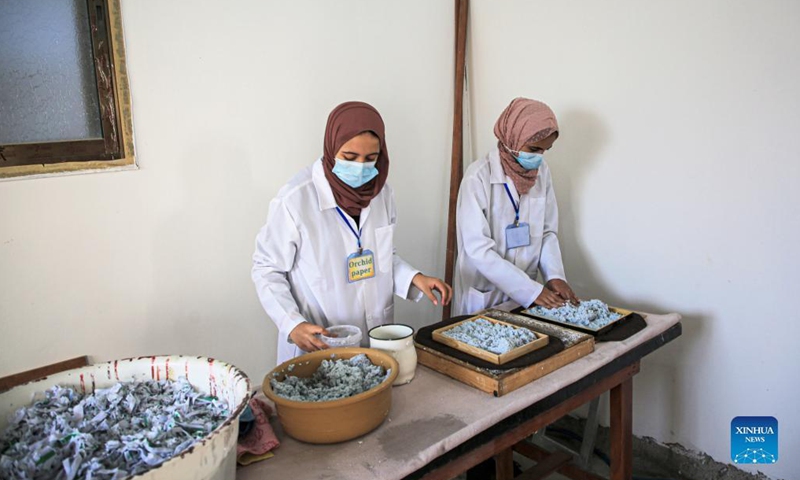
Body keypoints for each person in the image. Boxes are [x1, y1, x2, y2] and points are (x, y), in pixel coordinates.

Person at [252, 101, 452, 363]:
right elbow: (266, 269)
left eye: (371, 159)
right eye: (349, 157)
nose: (360, 168)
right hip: (318, 342)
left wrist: (414, 278)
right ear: (332, 147)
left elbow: (382, 257)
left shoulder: (382, 194)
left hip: (374, 340)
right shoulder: (295, 201)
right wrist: (292, 324)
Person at [452, 97, 578, 316]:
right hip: (485, 295)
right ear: (512, 136)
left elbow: (547, 232)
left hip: (528, 296)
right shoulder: (478, 177)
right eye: (533, 148)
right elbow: (478, 249)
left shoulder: (541, 174)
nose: (538, 157)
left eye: (544, 151)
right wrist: (529, 290)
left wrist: (555, 276)